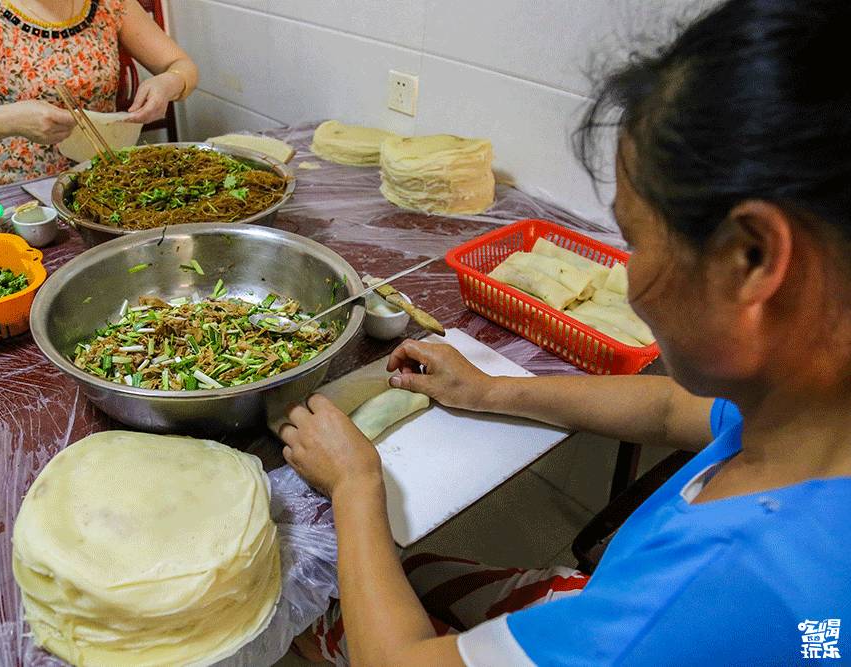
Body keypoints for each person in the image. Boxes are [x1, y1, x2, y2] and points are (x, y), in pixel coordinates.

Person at [279, 0, 851, 664]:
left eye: (637, 241)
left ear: (750, 259)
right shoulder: (807, 407)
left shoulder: (699, 602)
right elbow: (672, 408)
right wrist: (492, 391)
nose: (628, 277)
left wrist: (356, 485)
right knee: (414, 570)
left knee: (319, 608)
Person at [0, 0, 198, 185]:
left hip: (106, 179)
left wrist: (168, 83)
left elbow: (182, 66)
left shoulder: (110, 4)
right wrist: (11, 121)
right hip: (23, 194)